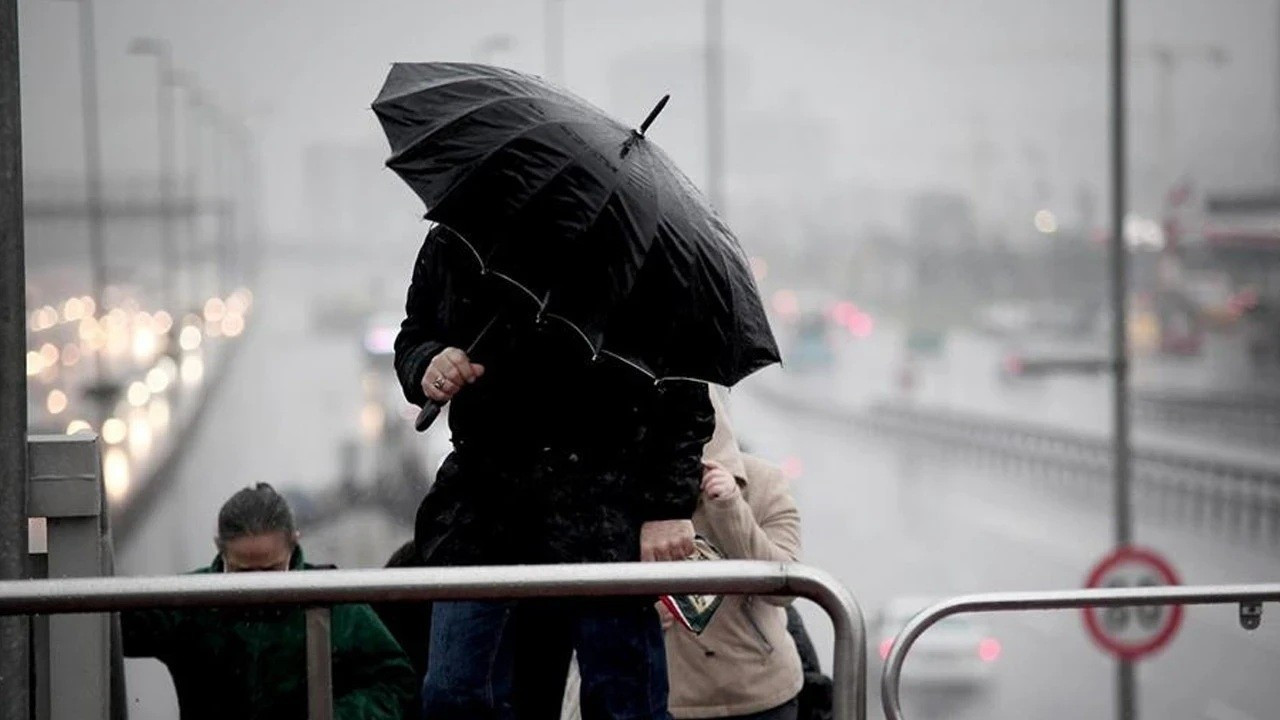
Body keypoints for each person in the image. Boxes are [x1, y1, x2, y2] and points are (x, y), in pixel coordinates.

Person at [394, 224, 714, 719]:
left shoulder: (641, 248)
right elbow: (415, 335)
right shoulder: (459, 237)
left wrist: (667, 509)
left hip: (604, 512)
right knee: (453, 694)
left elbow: (685, 393)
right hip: (485, 507)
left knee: (623, 700)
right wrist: (428, 363)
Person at [121, 483, 417, 720]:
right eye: (243, 572)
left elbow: (396, 681)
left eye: (270, 570)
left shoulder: (335, 603)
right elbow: (100, 628)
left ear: (295, 543)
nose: (258, 586)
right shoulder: (190, 603)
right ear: (219, 550)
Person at [659, 388, 804, 720]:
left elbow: (787, 585)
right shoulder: (622, 487)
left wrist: (729, 508)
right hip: (666, 696)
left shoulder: (763, 481)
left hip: (758, 692)